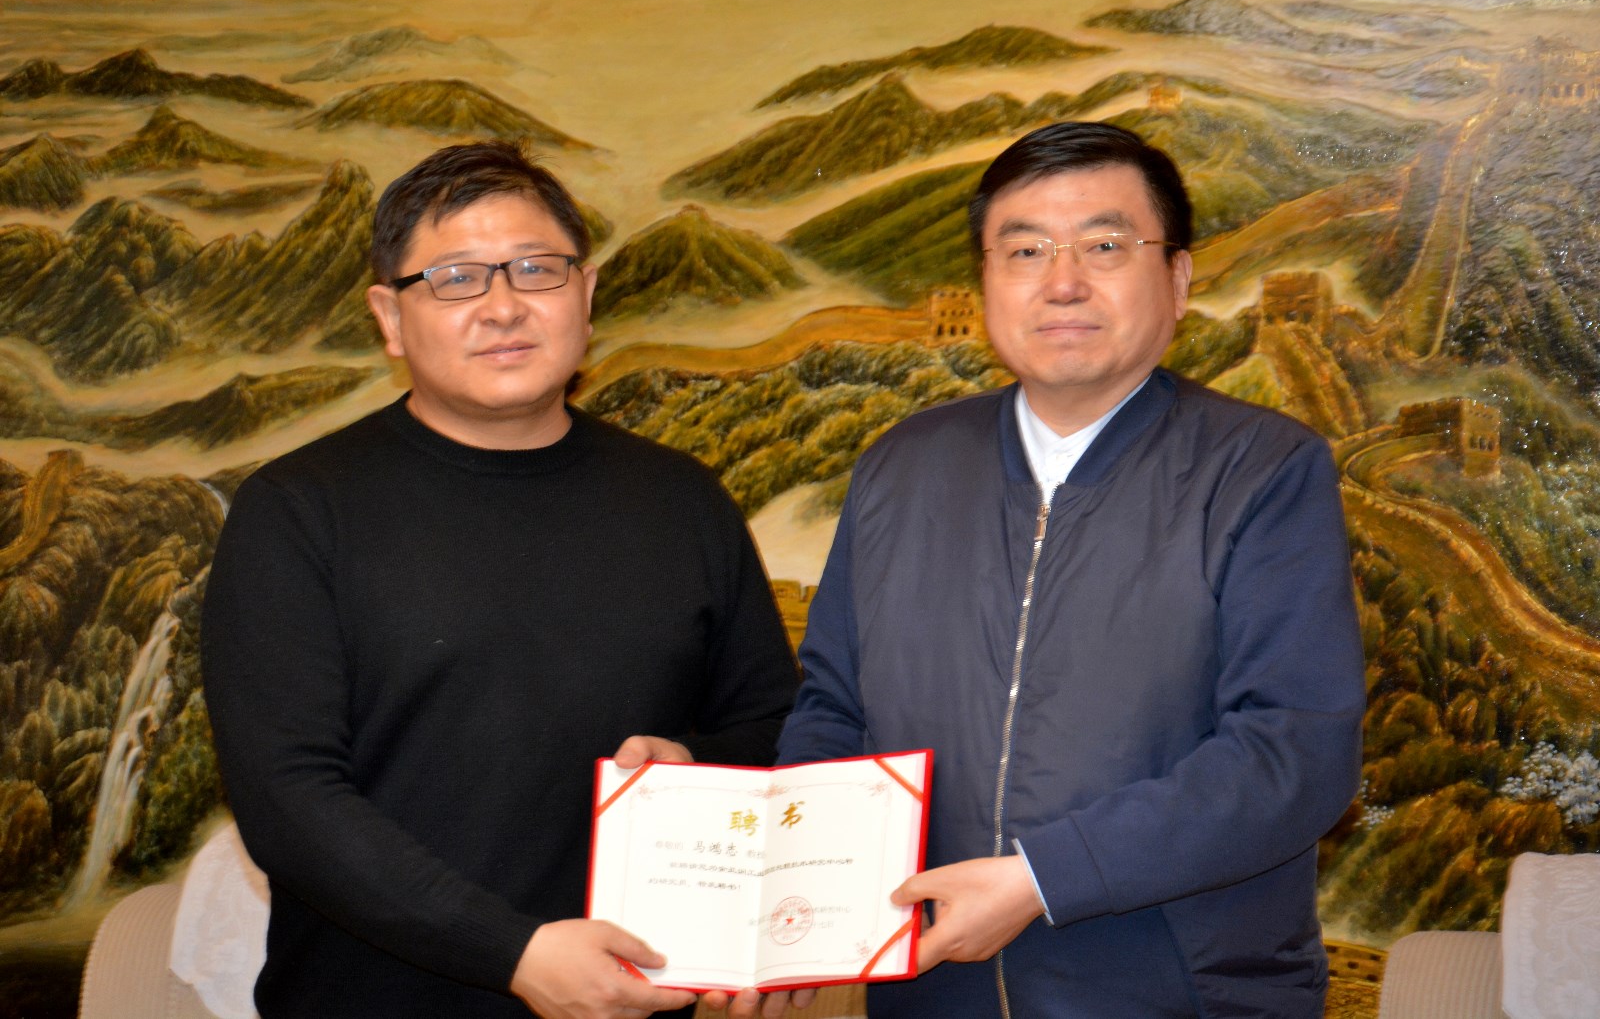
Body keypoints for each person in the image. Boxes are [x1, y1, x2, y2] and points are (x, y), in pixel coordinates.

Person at [774, 122, 1366, 1017]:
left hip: (1178, 993)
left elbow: (1294, 751)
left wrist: (1044, 878)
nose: (1062, 282)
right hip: (933, 990)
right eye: (1024, 250)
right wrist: (799, 901)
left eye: (1105, 246)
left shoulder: (1262, 470)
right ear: (984, 282)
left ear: (1177, 279)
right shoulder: (902, 465)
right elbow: (834, 710)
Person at [201, 140, 799, 1019]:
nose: (504, 306)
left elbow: (775, 728)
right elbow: (288, 802)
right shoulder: (298, 511)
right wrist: (512, 954)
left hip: (636, 999)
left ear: (586, 296)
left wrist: (694, 769)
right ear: (390, 317)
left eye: (536, 269)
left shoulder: (682, 498)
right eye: (455, 279)